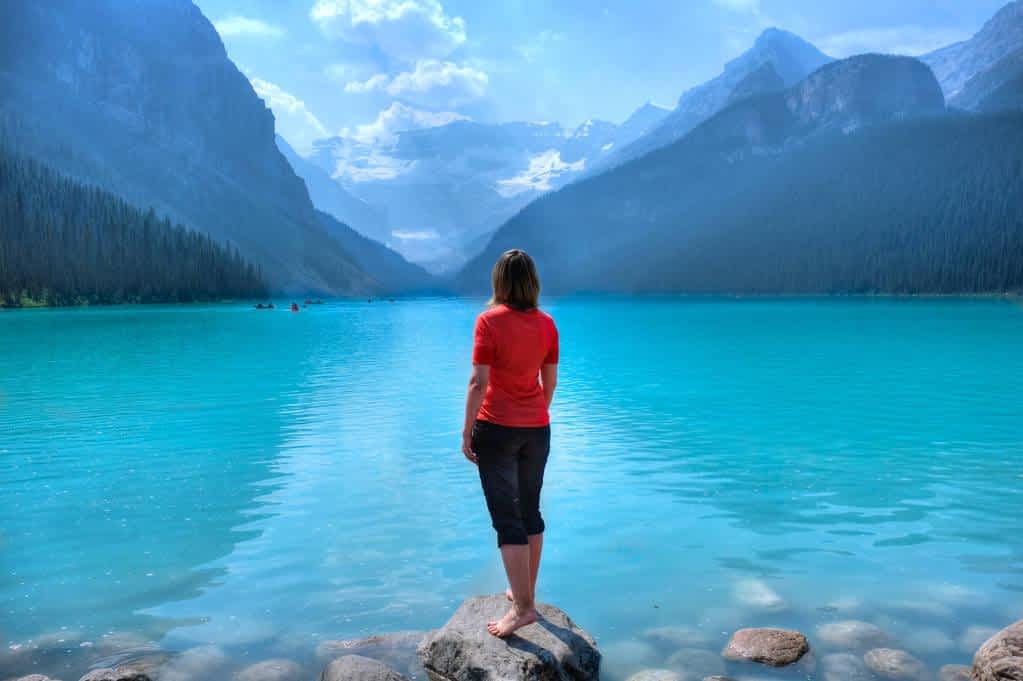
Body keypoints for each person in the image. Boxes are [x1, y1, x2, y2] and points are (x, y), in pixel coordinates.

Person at [462, 249, 559, 637]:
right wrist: (534, 414)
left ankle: (522, 608)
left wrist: (466, 431)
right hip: (538, 428)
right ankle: (525, 593)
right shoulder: (548, 324)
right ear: (532, 281)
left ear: (498, 282)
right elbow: (548, 382)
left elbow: (478, 382)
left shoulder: (489, 321)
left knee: (507, 519)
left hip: (497, 429)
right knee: (530, 513)